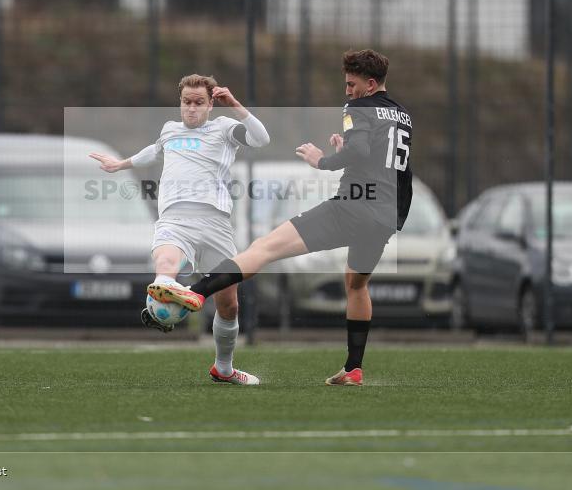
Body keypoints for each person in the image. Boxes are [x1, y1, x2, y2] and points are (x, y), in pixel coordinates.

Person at [148, 50, 413, 386]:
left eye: (352, 84)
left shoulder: (358, 107)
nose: (347, 90)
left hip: (353, 207)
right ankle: (354, 369)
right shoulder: (402, 114)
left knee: (265, 247)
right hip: (385, 213)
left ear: (370, 83)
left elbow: (359, 152)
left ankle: (197, 292)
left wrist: (323, 161)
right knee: (356, 284)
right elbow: (390, 164)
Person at [90, 74, 269, 385]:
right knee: (166, 263)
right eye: (186, 102)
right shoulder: (170, 130)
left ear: (212, 103)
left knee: (229, 303)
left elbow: (261, 138)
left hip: (215, 222)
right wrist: (121, 164)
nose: (191, 109)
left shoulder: (225, 128)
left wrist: (237, 106)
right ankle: (163, 293)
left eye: (199, 103)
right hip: (175, 217)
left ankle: (223, 369)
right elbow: (154, 151)